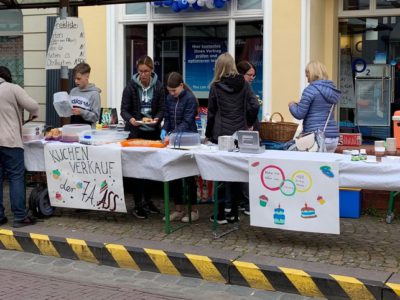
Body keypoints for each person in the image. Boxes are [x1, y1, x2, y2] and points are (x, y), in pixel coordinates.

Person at [205, 53, 259, 224]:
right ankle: (233, 212)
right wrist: (249, 123)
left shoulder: (215, 86)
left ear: (218, 68)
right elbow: (255, 104)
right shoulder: (243, 84)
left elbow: (211, 113)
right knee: (236, 172)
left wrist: (207, 135)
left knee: (221, 173)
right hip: (239, 134)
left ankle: (220, 212)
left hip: (220, 135)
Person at [120, 55, 165, 219]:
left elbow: (162, 108)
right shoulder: (131, 87)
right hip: (136, 132)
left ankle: (149, 200)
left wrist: (157, 119)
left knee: (151, 168)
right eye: (140, 71)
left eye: (146, 71)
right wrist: (131, 119)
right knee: (137, 168)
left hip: (152, 132)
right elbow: (123, 109)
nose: (143, 75)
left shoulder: (158, 87)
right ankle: (138, 203)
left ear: (152, 71)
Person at [0, 66, 40, 228]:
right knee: (16, 176)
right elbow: (33, 105)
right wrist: (34, 113)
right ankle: (19, 216)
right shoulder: (12, 88)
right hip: (10, 141)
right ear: (7, 77)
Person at [160, 72, 199, 223]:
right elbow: (168, 118)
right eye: (169, 90)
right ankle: (178, 209)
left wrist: (173, 134)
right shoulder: (169, 98)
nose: (171, 93)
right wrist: (164, 129)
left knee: (189, 176)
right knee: (174, 175)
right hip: (173, 142)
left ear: (181, 86)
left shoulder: (189, 99)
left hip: (188, 141)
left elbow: (187, 121)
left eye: (174, 90)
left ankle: (194, 210)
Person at [288, 61, 341, 153]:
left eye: (307, 74)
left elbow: (299, 114)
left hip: (316, 138)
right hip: (332, 138)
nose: (306, 77)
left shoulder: (310, 90)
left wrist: (292, 105)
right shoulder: (332, 90)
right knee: (326, 166)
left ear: (313, 73)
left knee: (311, 166)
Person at [235, 60, 259, 216]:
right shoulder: (242, 88)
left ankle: (247, 202)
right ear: (241, 74)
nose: (252, 78)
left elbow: (254, 106)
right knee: (244, 168)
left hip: (245, 129)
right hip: (245, 129)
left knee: (245, 168)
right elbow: (254, 106)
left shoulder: (243, 88)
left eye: (253, 75)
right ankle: (246, 202)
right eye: (250, 75)